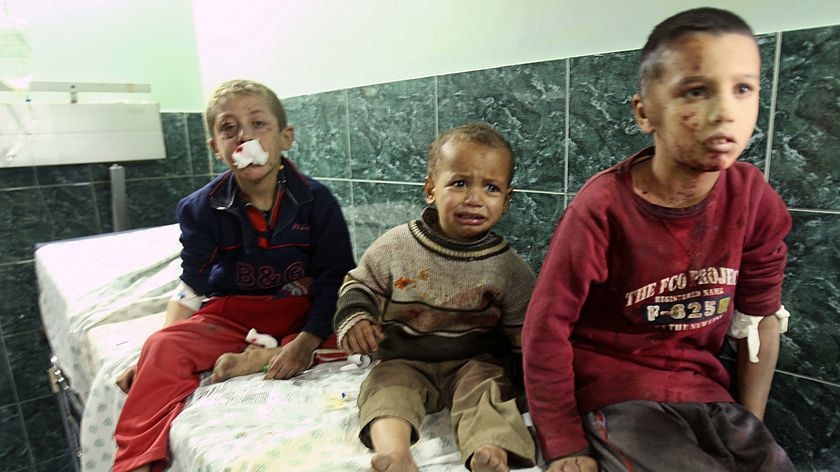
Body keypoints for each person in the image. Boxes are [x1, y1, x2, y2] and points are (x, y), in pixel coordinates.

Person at [522, 7, 797, 472]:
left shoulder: (754, 201)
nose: (725, 111)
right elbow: (545, 331)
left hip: (706, 393)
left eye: (743, 89)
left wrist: (752, 427)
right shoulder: (603, 208)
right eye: (696, 90)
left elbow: (758, 323)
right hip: (616, 393)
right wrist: (564, 445)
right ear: (645, 112)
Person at [112, 79, 355, 472]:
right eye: (229, 129)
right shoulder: (200, 209)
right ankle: (135, 461)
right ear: (216, 147)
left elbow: (335, 280)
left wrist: (305, 342)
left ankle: (258, 359)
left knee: (369, 331)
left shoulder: (317, 201)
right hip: (231, 316)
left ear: (285, 137)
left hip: (301, 312)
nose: (245, 138)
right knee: (160, 349)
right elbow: (193, 284)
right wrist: (153, 352)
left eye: (259, 124)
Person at [335, 122, 537, 472]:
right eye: (460, 183)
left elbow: (523, 335)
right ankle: (395, 454)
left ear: (506, 201)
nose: (474, 198)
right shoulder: (397, 246)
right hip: (405, 358)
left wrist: (523, 383)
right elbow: (359, 285)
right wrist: (356, 319)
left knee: (490, 392)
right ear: (430, 189)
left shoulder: (510, 269)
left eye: (490, 187)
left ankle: (490, 451)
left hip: (473, 362)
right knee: (386, 388)